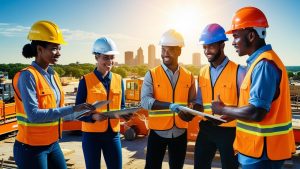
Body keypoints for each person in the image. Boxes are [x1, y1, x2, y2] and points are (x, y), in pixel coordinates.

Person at [211, 7, 296, 169]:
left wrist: (223, 109)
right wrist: (233, 115)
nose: (233, 42)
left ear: (251, 35)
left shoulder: (264, 65)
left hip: (261, 153)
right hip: (258, 151)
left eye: (236, 36)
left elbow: (256, 112)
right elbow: (255, 107)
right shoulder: (259, 63)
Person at [12, 20, 95, 169]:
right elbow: (34, 115)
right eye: (54, 49)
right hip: (31, 148)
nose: (59, 53)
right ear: (39, 49)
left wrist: (86, 113)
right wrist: (74, 109)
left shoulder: (54, 75)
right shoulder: (28, 76)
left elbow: (59, 112)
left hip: (53, 144)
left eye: (59, 48)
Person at [141, 29, 198, 169]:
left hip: (180, 132)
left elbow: (193, 101)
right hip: (157, 132)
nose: (165, 53)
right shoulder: (152, 74)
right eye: (163, 49)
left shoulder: (189, 76)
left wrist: (191, 112)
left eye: (170, 49)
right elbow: (145, 101)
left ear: (179, 51)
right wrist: (170, 105)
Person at [194, 23, 245, 169]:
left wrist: (229, 114)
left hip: (230, 131)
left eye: (211, 46)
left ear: (222, 45)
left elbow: (246, 106)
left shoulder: (239, 71)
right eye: (204, 47)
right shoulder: (202, 72)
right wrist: (190, 110)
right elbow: (199, 101)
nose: (206, 51)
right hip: (206, 129)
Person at [75, 37, 130, 169]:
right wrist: (93, 117)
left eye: (112, 57)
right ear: (96, 57)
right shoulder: (85, 81)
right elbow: (77, 112)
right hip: (91, 136)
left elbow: (121, 106)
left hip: (113, 135)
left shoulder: (119, 79)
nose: (110, 61)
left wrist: (125, 114)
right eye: (106, 57)